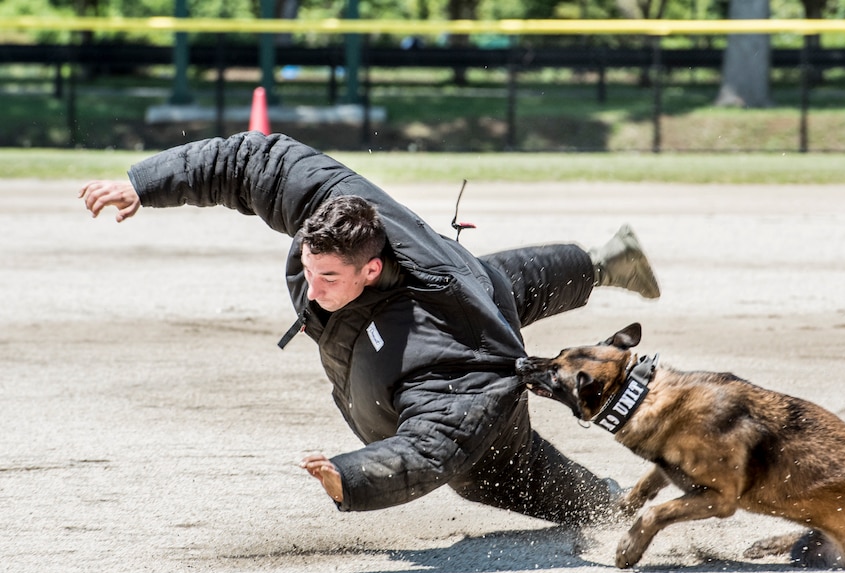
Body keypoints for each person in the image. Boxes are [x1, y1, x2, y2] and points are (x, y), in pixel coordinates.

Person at [79, 131, 661, 525]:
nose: (312, 286)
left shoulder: (447, 356)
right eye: (308, 267)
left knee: (497, 472)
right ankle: (607, 260)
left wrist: (352, 477)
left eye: (329, 276)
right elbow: (254, 161)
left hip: (463, 367)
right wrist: (145, 183)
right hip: (468, 287)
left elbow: (434, 445)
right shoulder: (337, 209)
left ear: (373, 267)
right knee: (500, 281)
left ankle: (612, 505)